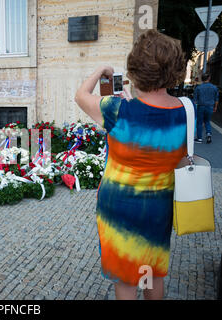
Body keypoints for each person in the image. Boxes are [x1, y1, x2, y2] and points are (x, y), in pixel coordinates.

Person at [75, 29, 187, 300]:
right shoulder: (185, 111)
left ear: (135, 69)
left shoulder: (117, 110)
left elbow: (81, 95)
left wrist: (101, 69)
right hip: (158, 206)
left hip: (119, 208)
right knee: (151, 271)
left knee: (125, 277)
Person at [193, 73, 219, 144]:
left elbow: (195, 100)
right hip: (210, 107)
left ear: (202, 79)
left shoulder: (198, 87)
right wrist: (215, 107)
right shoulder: (214, 87)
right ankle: (208, 133)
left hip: (201, 107)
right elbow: (216, 99)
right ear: (209, 78)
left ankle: (199, 138)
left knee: (199, 122)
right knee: (207, 121)